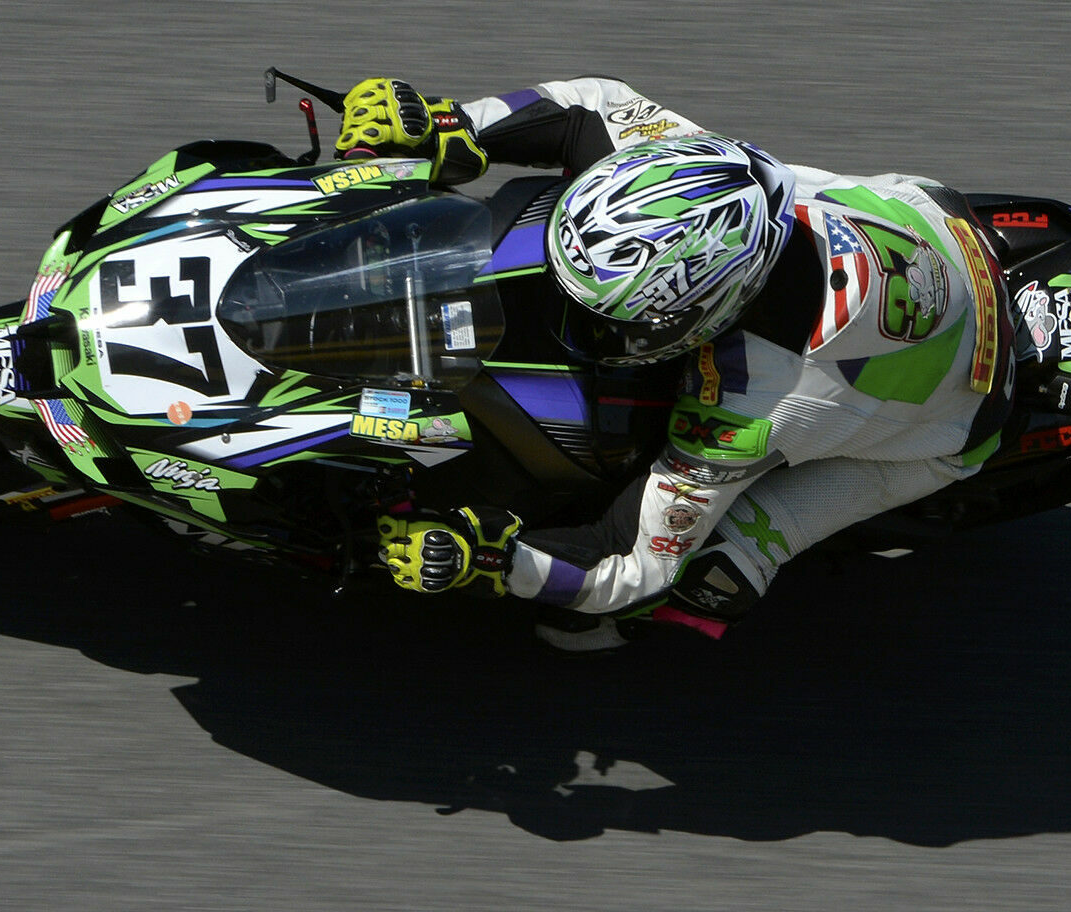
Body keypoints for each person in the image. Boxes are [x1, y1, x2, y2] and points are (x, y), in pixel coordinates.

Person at [343, 77, 1014, 651]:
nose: (582, 328)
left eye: (609, 321)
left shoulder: (754, 405)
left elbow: (635, 563)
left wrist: (494, 559)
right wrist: (448, 125)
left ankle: (650, 623)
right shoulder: (678, 167)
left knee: (701, 579)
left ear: (718, 312)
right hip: (938, 221)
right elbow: (592, 107)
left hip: (946, 430)